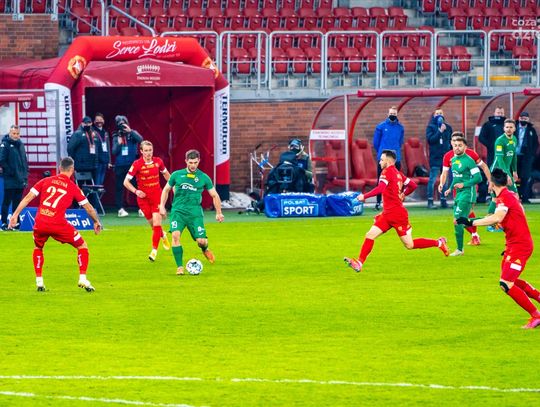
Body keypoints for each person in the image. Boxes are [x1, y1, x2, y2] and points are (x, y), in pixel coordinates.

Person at [457, 168, 540, 329]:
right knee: (512, 281)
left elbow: (497, 217)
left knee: (506, 283)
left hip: (520, 246)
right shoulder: (508, 196)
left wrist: (471, 222)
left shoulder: (504, 198)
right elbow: (508, 218)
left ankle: (536, 315)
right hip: (513, 245)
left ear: (492, 184)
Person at [343, 149, 449, 273]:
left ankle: (439, 243)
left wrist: (364, 196)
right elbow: (413, 185)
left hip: (397, 215)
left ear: (388, 161)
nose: (379, 162)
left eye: (381, 159)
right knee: (370, 235)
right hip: (387, 214)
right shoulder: (398, 174)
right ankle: (359, 263)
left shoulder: (386, 172)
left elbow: (380, 188)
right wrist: (404, 194)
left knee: (409, 245)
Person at [7, 157, 102, 292]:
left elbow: (28, 198)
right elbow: (89, 208)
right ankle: (82, 278)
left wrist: (15, 215)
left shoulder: (45, 181)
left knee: (38, 247)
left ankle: (39, 282)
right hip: (58, 223)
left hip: (40, 222)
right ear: (72, 170)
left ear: (59, 168)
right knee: (82, 246)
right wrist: (96, 221)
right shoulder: (73, 187)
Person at [159, 149, 225, 276]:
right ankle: (179, 267)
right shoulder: (177, 175)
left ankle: (205, 249)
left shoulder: (204, 177)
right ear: (186, 161)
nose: (193, 165)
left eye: (195, 162)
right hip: (178, 212)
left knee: (201, 241)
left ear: (199, 161)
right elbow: (166, 190)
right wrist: (162, 206)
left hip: (195, 214)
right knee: (175, 236)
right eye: (190, 162)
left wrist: (219, 212)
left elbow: (214, 195)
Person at [439, 132, 491, 246]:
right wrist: (442, 183)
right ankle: (482, 228)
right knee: (462, 215)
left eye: (458, 142)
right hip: (456, 189)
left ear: (463, 144)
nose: (456, 144)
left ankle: (476, 233)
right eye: (454, 141)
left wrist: (490, 182)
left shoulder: (471, 154)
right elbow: (444, 172)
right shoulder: (448, 156)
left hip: (469, 187)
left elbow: (484, 167)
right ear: (451, 142)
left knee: (466, 213)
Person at [123, 140, 171, 262]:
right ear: (141, 151)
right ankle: (163, 235)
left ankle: (154, 251)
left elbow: (166, 175)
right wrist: (136, 191)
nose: (148, 153)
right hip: (143, 199)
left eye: (150, 150)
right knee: (153, 226)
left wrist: (173, 185)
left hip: (157, 197)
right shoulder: (137, 164)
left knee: (157, 223)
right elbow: (126, 182)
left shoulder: (158, 161)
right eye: (146, 151)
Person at [443, 136, 482, 256]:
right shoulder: (453, 160)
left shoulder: (469, 161)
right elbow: (456, 178)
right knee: (462, 221)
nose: (457, 148)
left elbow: (478, 178)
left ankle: (459, 250)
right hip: (458, 194)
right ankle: (492, 220)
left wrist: (464, 184)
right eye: (455, 145)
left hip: (467, 193)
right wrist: (450, 188)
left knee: (457, 220)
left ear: (465, 147)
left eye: (460, 145)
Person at [372, 106, 404, 210]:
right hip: (383, 159)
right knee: (380, 180)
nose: (392, 115)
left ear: (397, 115)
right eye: (391, 114)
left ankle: (395, 202)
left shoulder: (400, 128)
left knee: (396, 181)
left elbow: (400, 142)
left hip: (396, 158)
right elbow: (375, 143)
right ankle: (378, 202)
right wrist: (383, 154)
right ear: (388, 114)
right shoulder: (380, 127)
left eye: (394, 114)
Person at [112, 115, 143, 217]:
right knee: (119, 187)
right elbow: (114, 151)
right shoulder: (116, 136)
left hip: (132, 165)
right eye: (120, 125)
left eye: (124, 124)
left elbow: (141, 140)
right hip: (120, 165)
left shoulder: (132, 134)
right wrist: (119, 143)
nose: (122, 127)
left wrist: (130, 131)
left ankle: (141, 207)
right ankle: (120, 209)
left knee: (136, 186)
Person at [488, 119, 519, 217]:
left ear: (514, 128)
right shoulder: (500, 141)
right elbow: (500, 159)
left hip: (506, 170)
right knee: (495, 198)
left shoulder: (514, 139)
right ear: (503, 128)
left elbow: (513, 156)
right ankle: (489, 221)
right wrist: (506, 175)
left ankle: (512, 219)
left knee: (515, 196)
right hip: (497, 171)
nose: (508, 129)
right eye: (507, 127)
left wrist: (514, 171)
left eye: (511, 127)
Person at [0, 125, 28, 230]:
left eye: (17, 133)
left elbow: (24, 160)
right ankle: (3, 222)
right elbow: (1, 160)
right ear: (10, 133)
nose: (16, 135)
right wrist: (10, 171)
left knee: (17, 203)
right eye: (14, 133)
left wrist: (25, 174)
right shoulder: (5, 144)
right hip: (10, 178)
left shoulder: (21, 144)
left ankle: (16, 223)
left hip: (20, 178)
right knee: (7, 201)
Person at [426, 108, 452, 209]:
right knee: (432, 179)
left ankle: (443, 200)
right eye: (437, 114)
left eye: (441, 113)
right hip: (435, 157)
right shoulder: (431, 127)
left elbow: (450, 141)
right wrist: (439, 131)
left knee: (445, 179)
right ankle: (430, 201)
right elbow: (431, 140)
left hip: (445, 157)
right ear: (434, 116)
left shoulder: (448, 127)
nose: (439, 115)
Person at [478, 106, 506, 202]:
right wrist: (490, 145)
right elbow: (481, 137)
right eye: (498, 112)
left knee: (504, 173)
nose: (500, 115)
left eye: (501, 113)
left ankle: (502, 195)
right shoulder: (488, 124)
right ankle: (490, 195)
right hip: (492, 155)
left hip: (505, 155)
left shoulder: (506, 124)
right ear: (494, 113)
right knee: (492, 173)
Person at [67, 116, 101, 180]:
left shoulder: (95, 134)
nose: (87, 124)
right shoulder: (77, 134)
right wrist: (73, 161)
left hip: (92, 165)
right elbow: (70, 148)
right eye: (86, 123)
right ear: (82, 123)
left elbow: (98, 148)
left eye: (89, 123)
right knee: (80, 184)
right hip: (81, 165)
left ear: (91, 123)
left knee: (92, 185)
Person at [515, 112, 538, 204]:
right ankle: (515, 196)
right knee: (514, 176)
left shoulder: (531, 130)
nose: (523, 120)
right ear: (519, 118)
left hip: (526, 158)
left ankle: (524, 197)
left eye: (525, 119)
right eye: (522, 118)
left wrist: (532, 154)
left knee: (525, 177)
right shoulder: (514, 128)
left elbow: (535, 143)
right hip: (514, 157)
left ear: (528, 119)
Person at [93, 112, 112, 186]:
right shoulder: (93, 132)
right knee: (97, 181)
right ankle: (96, 194)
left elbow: (108, 147)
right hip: (97, 160)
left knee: (101, 181)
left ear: (103, 121)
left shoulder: (105, 133)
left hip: (105, 160)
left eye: (101, 119)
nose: (99, 121)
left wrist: (109, 161)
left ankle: (99, 193)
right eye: (97, 120)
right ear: (94, 121)